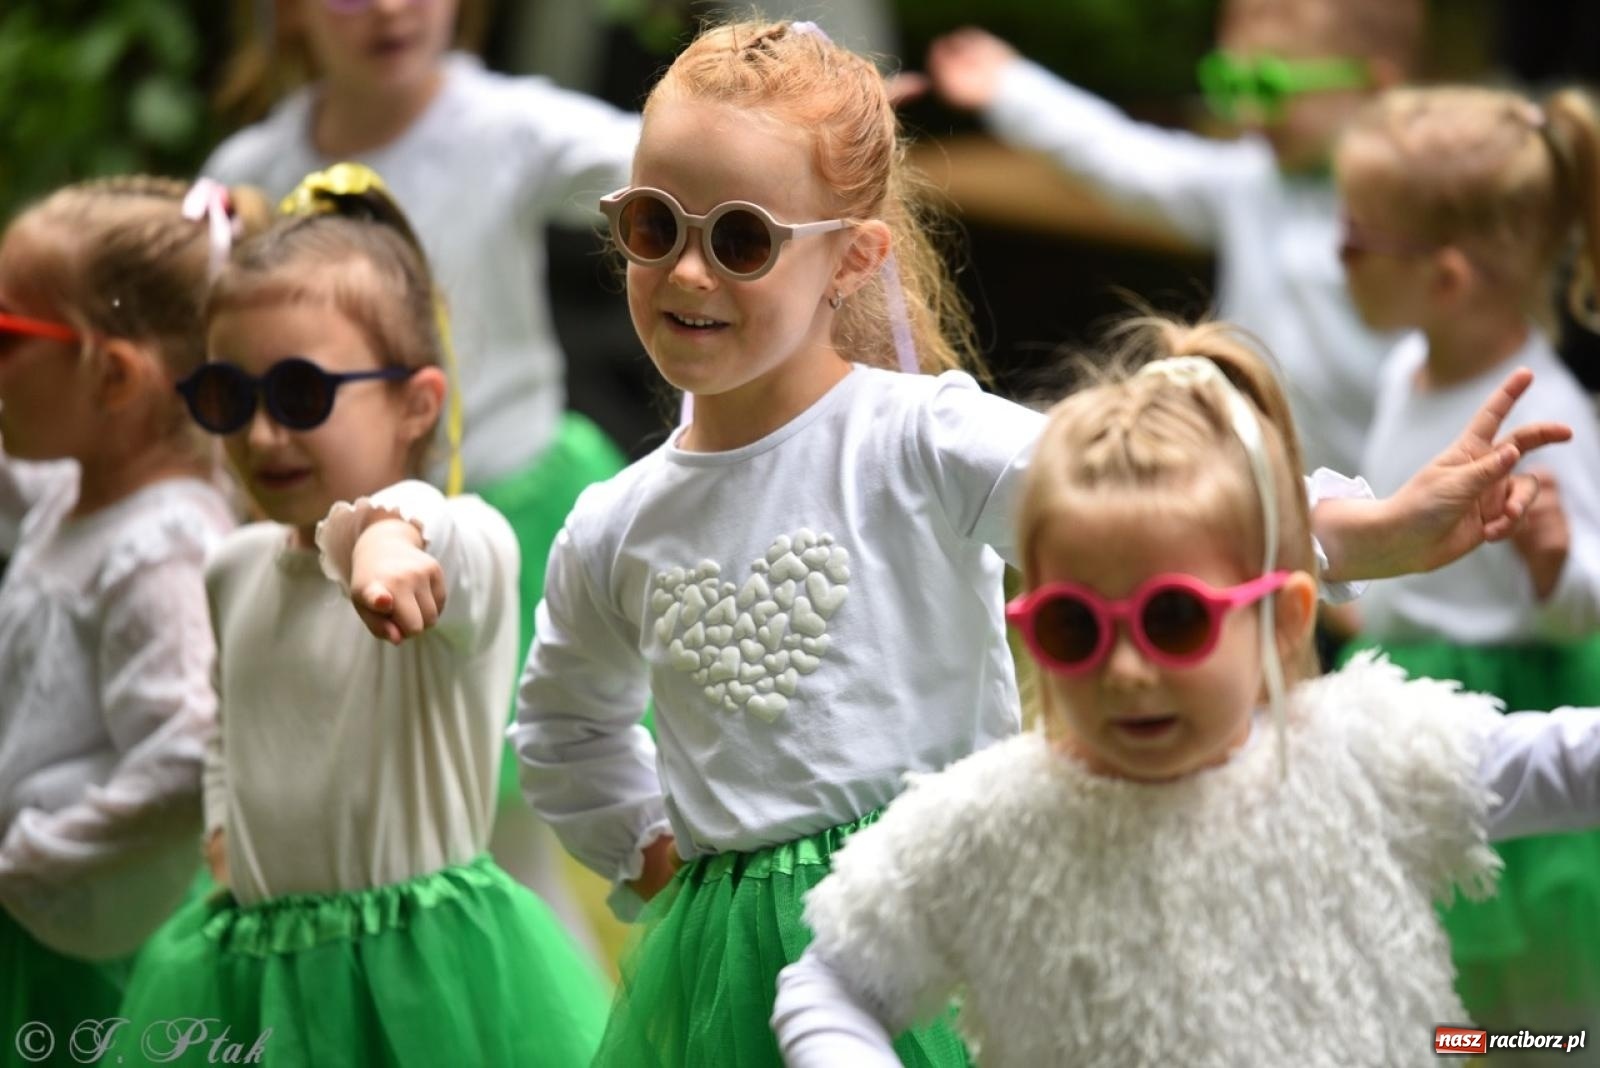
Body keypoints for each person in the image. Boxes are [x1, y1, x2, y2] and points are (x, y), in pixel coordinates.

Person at [511, 19, 1570, 1067]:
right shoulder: (616, 520)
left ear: (850, 259)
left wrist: (1370, 530)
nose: (688, 273)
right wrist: (647, 845)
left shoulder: (914, 437)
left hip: (951, 904)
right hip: (727, 970)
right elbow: (564, 724)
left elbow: (1153, 501)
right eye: (654, 225)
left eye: (739, 239)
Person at [771, 321, 1600, 1066]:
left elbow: (1571, 764)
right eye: (1073, 626)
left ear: (1281, 616)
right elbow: (828, 983)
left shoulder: (1370, 754)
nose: (1126, 670)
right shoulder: (991, 823)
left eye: (1174, 619)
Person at [117, 169, 610, 1066]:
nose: (265, 435)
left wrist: (385, 537)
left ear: (416, 402)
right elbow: (234, 724)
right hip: (255, 968)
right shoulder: (235, 566)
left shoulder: (460, 547)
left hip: (419, 978)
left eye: (303, 394)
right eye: (232, 396)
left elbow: (436, 532)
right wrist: (224, 826)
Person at [204, 0, 645, 939]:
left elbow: (655, 162)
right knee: (423, 808)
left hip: (513, 515)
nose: (392, 8)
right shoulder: (252, 172)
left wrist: (783, 138)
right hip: (351, 539)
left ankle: (536, 1011)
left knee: (519, 816)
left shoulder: (510, 125)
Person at [1335, 85, 1600, 1034]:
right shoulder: (1405, 368)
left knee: (1531, 993)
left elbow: (1583, 605)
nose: (1336, 255)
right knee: (1421, 971)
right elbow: (1410, 525)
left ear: (1446, 278)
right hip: (1406, 686)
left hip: (1509, 704)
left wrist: (1555, 562)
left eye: (1355, 238)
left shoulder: (1547, 412)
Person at [911, 0, 1423, 476]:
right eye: (1230, 83)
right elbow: (1128, 160)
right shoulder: (1253, 182)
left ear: (1374, 85)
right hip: (1262, 492)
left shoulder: (1420, 213)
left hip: (1385, 499)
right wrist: (1014, 87)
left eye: (1269, 86)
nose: (1248, 112)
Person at [0, 177, 255, 1040]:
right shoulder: (79, 487)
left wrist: (30, 857)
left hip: (90, 950)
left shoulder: (159, 549)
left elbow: (184, 757)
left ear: (111, 374)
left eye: (7, 336)